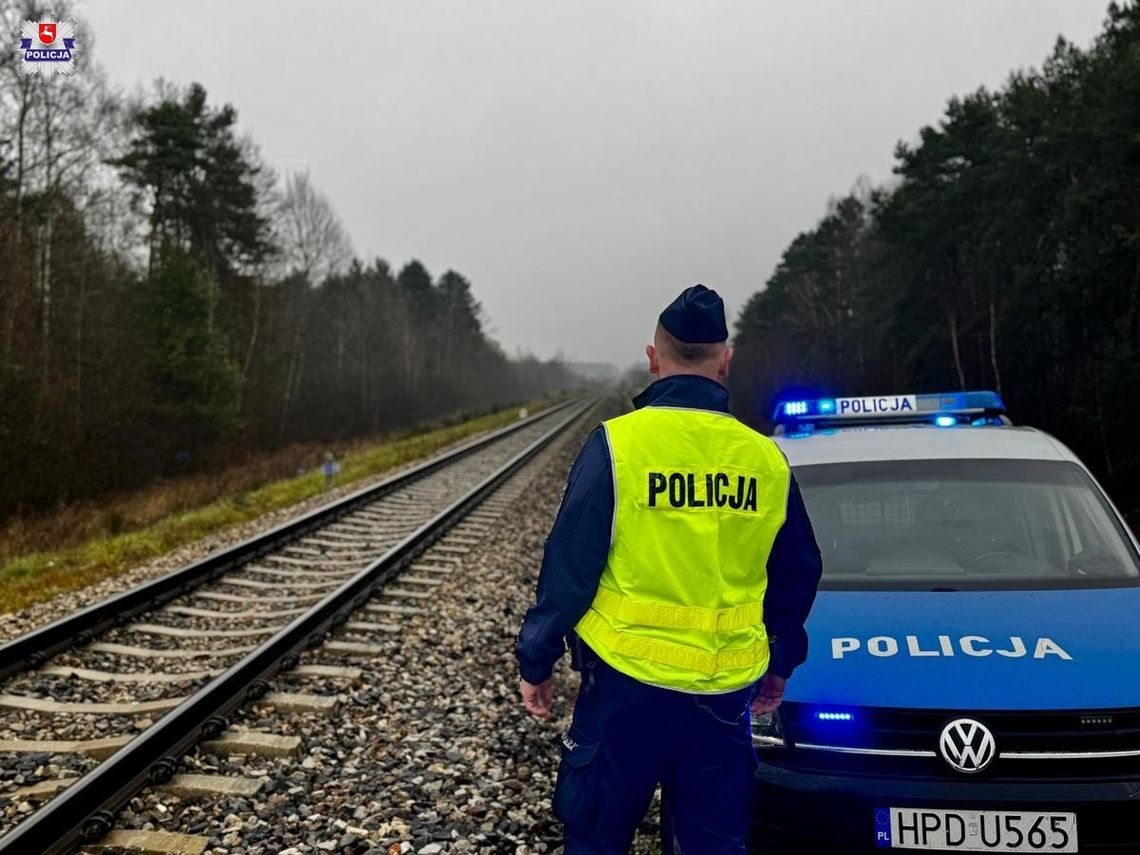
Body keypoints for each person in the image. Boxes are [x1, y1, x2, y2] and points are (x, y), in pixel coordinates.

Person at [515, 285, 824, 854]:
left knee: (598, 837)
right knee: (712, 842)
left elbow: (569, 566)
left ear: (653, 358)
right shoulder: (765, 458)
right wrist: (779, 661)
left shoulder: (617, 445)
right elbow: (797, 571)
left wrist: (538, 657)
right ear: (724, 362)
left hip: (624, 690)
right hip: (724, 698)